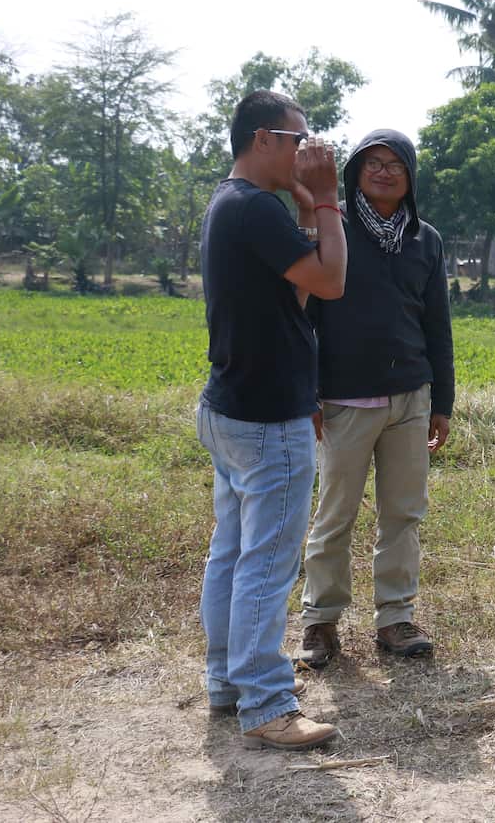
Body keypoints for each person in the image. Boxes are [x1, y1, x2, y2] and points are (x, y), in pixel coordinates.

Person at [196, 90, 347, 751]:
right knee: (265, 563)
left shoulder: (232, 205)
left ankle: (228, 684)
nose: (306, 150)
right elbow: (333, 280)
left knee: (231, 554)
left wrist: (307, 204)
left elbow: (297, 286)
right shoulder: (254, 207)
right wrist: (328, 197)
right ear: (263, 139)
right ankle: (265, 701)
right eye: (298, 138)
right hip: (266, 419)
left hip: (230, 406)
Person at [298, 129, 454, 666]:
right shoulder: (332, 227)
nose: (385, 172)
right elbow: (307, 318)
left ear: (410, 177)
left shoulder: (424, 240)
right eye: (373, 163)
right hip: (343, 400)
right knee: (333, 514)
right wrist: (309, 394)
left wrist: (443, 403)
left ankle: (395, 618)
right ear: (356, 172)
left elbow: (438, 326)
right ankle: (320, 621)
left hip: (410, 398)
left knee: (403, 513)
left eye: (396, 164)